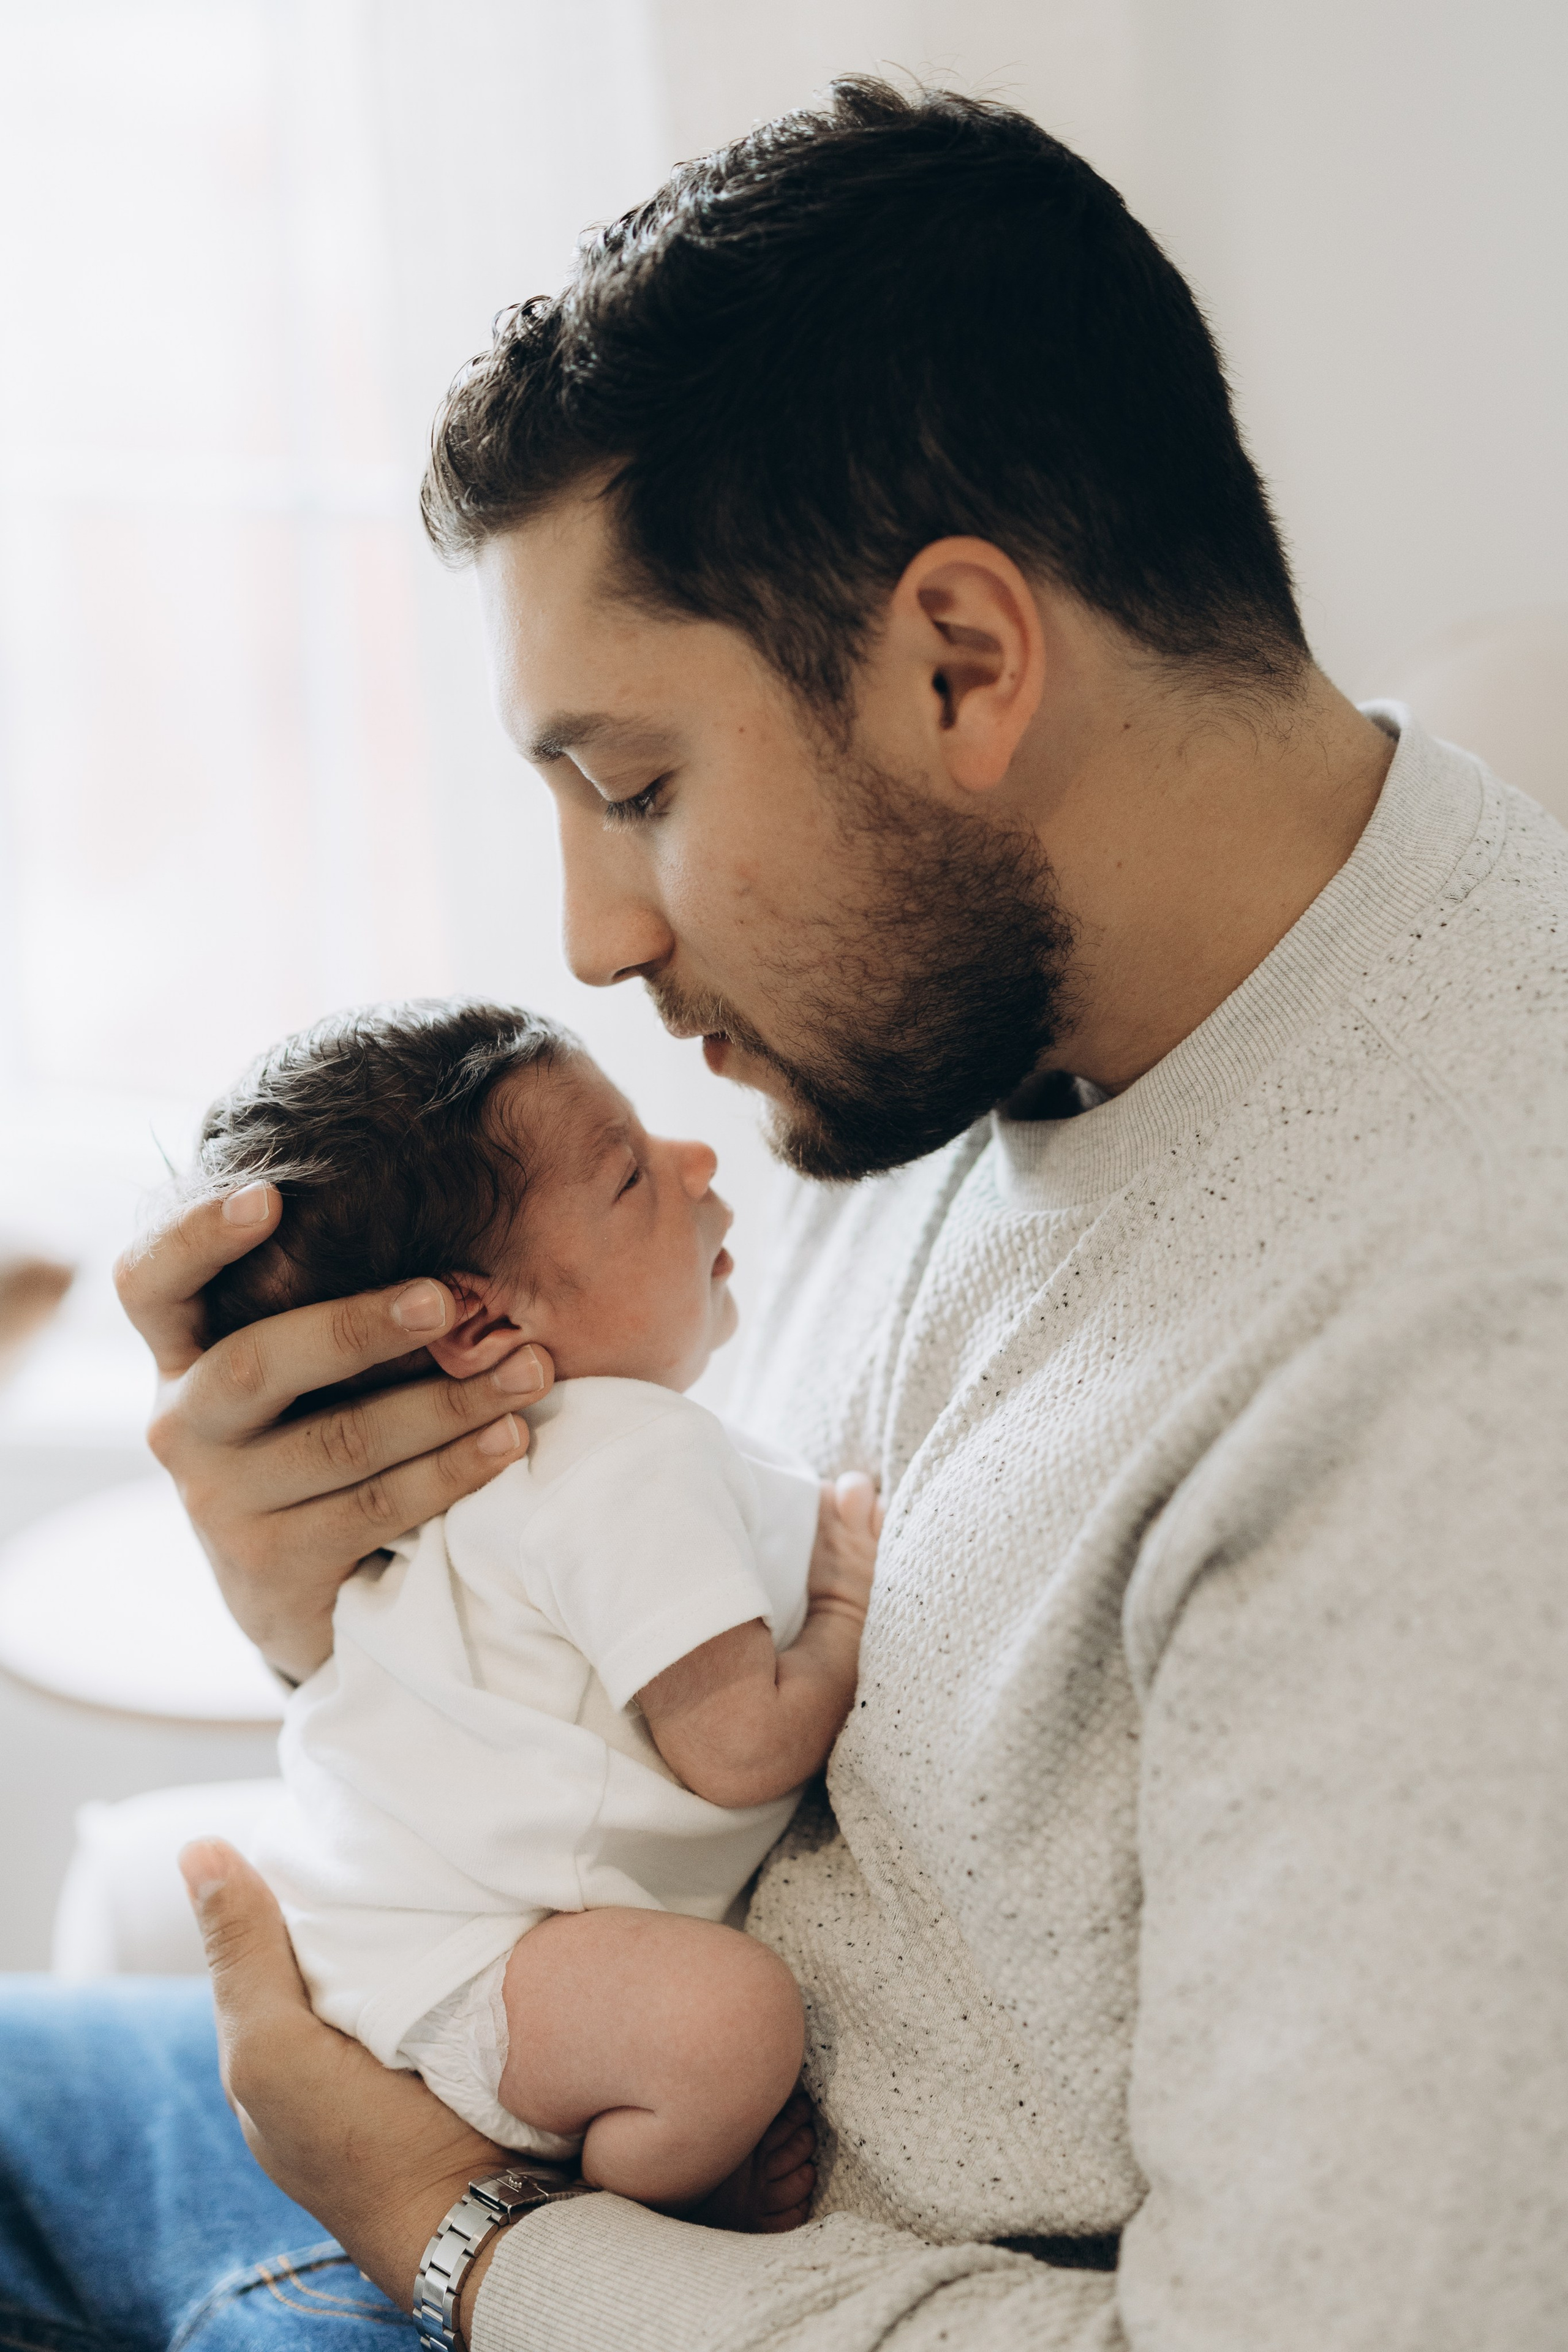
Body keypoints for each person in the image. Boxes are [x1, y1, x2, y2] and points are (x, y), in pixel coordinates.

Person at [4, 73, 1565, 2352]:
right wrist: (328, 1591)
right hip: (520, 2103)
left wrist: (465, 2238)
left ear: (963, 665)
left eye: (635, 787)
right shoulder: (982, 993)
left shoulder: (1461, 1353)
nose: (594, 940)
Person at [192, 995, 875, 2223]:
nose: (694, 1159)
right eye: (627, 1176)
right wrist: (841, 1601)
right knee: (728, 2022)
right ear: (485, 1324)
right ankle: (635, 2207)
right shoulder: (622, 1458)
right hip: (466, 1953)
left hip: (394, 1930)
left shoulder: (522, 1457)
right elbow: (742, 1747)